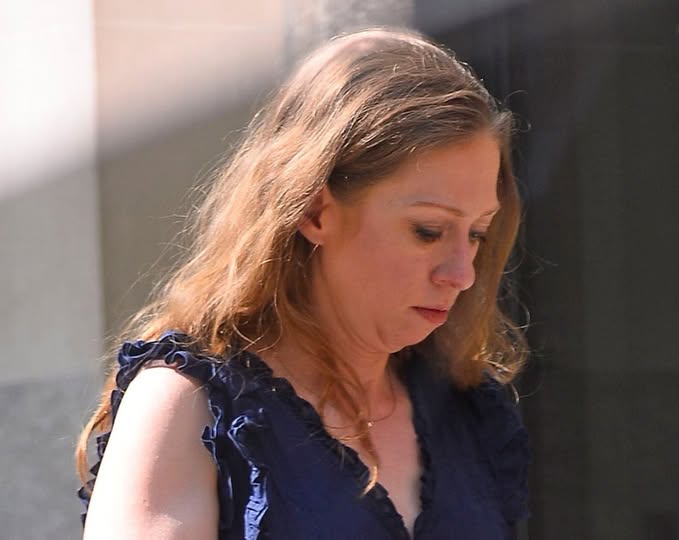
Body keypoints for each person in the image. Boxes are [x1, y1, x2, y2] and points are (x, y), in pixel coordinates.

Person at [76, 27, 529, 540]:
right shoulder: (189, 407)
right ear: (315, 211)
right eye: (428, 231)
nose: (462, 274)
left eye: (477, 234)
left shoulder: (467, 411)